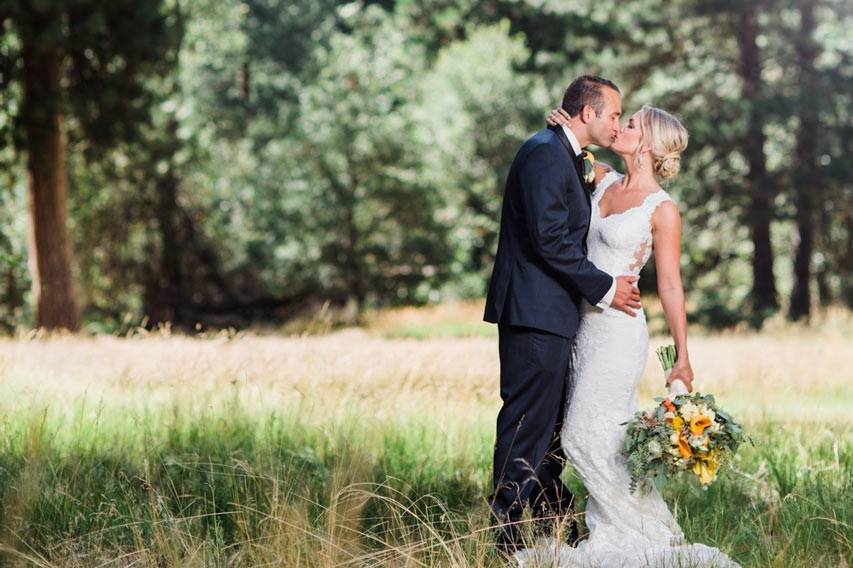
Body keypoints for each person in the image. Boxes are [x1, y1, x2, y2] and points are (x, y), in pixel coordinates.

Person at [507, 104, 741, 566]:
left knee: (579, 434)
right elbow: (568, 154)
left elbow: (671, 284)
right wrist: (563, 122)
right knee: (603, 435)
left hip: (619, 334)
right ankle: (619, 530)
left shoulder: (663, 209)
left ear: (649, 144)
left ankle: (641, 535)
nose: (620, 126)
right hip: (581, 329)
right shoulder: (605, 178)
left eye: (630, 123)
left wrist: (682, 357)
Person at [483, 75, 642, 555]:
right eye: (614, 113)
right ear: (587, 113)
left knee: (547, 429)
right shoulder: (544, 153)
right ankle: (504, 538)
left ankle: (562, 528)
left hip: (554, 314)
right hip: (534, 312)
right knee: (527, 424)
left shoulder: (564, 154)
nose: (618, 121)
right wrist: (607, 287)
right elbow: (549, 239)